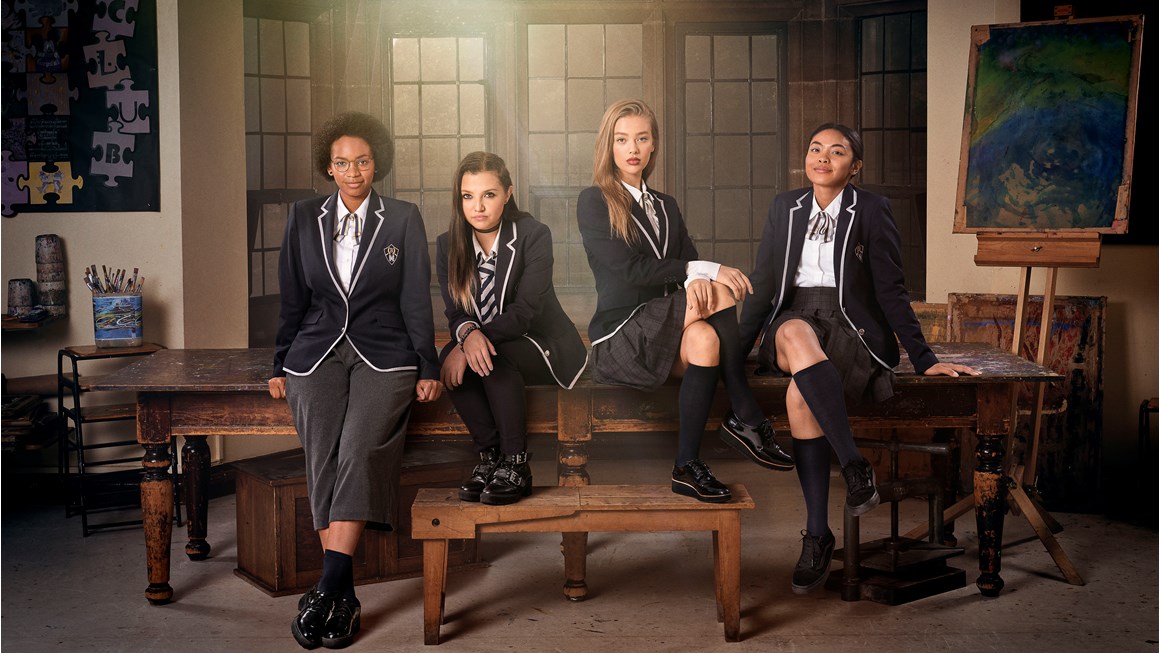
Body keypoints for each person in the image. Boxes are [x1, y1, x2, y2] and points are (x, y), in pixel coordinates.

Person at [738, 123, 979, 594]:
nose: (822, 158)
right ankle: (854, 464)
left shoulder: (870, 209)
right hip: (795, 317)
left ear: (855, 166)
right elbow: (765, 284)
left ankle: (817, 534)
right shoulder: (783, 207)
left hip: (851, 325)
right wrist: (735, 353)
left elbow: (890, 289)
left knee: (800, 399)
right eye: (814, 149)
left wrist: (924, 357)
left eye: (837, 151)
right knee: (792, 331)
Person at [268, 111, 443, 649]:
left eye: (362, 161)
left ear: (377, 164)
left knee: (361, 448)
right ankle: (342, 597)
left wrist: (429, 364)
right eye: (342, 162)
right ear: (328, 166)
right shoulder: (302, 217)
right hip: (317, 350)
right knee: (321, 450)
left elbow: (416, 298)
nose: (353, 171)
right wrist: (279, 363)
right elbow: (293, 298)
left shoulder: (404, 218)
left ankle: (326, 588)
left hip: (384, 352)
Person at [577, 99, 794, 505]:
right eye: (622, 139)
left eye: (642, 138)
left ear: (654, 145)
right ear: (608, 146)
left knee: (707, 341)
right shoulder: (594, 201)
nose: (633, 148)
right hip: (622, 337)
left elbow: (686, 263)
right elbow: (630, 271)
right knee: (723, 290)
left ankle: (686, 467)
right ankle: (745, 413)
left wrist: (697, 276)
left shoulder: (666, 206)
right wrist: (702, 270)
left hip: (664, 332)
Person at [436, 151, 587, 505]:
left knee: (492, 356)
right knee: (448, 359)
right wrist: (463, 340)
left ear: (507, 193)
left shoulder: (533, 234)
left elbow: (526, 311)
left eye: (489, 194)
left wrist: (474, 340)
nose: (479, 206)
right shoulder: (448, 244)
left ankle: (517, 463)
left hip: (542, 344)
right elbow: (455, 312)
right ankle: (490, 459)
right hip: (491, 344)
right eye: (468, 196)